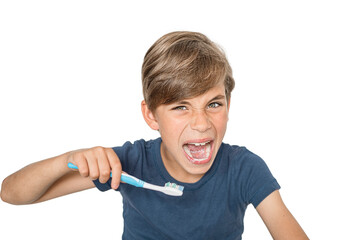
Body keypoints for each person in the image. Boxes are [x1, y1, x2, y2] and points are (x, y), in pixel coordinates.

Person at [0, 31, 308, 239]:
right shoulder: (127, 163)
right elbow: (11, 194)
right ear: (151, 115)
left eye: (213, 104)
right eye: (180, 107)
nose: (201, 124)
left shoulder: (244, 169)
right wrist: (67, 160)